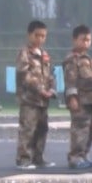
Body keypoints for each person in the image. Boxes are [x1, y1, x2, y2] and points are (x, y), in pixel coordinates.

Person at [15, 20, 57, 170]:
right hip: (29, 99)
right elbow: (24, 75)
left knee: (42, 129)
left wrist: (52, 89)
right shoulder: (25, 53)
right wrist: (40, 89)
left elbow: (50, 74)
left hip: (43, 101)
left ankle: (38, 157)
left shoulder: (44, 55)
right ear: (29, 35)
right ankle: (24, 159)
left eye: (43, 36)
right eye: (37, 35)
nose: (40, 39)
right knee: (28, 129)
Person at [62, 24, 92, 169]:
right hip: (79, 100)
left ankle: (84, 154)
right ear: (74, 40)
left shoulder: (88, 59)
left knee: (89, 129)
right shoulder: (72, 59)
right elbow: (70, 79)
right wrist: (72, 97)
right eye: (83, 39)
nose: (86, 43)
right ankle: (75, 156)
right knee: (79, 129)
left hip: (89, 100)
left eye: (89, 40)